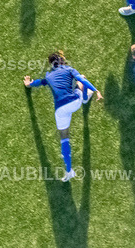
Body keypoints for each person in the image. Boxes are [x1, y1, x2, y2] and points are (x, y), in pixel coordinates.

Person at [24, 51, 102, 182]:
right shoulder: (69, 69)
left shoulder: (48, 76)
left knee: (64, 139)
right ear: (61, 60)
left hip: (60, 110)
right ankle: (84, 98)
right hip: (75, 102)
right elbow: (82, 80)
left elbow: (39, 82)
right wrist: (96, 90)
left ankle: (69, 171)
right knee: (81, 79)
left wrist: (28, 84)